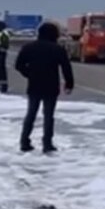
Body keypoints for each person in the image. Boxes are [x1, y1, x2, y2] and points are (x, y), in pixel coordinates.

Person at [14, 21, 74, 153]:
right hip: (51, 85)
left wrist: (29, 73)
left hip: (34, 84)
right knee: (48, 115)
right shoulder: (57, 49)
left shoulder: (29, 47)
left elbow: (18, 65)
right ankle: (47, 143)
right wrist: (69, 84)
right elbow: (66, 68)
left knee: (31, 114)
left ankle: (24, 141)